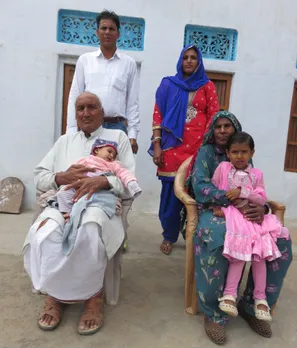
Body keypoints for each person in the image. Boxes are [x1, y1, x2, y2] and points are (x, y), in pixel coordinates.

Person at [23, 91, 135, 335]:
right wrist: (60, 177)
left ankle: (93, 296)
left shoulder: (117, 137)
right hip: (63, 202)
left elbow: (128, 182)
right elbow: (40, 175)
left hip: (100, 204)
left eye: (91, 107)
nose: (85, 113)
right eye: (80, 108)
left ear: (102, 113)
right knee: (46, 231)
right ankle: (55, 293)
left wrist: (103, 182)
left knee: (89, 230)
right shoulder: (65, 141)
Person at [187, 111, 292, 345]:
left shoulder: (242, 152)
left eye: (228, 126)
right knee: (218, 238)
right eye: (218, 126)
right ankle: (215, 313)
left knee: (279, 241)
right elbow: (201, 187)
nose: (223, 130)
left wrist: (263, 209)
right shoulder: (205, 153)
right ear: (212, 131)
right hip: (212, 209)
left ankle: (253, 305)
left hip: (244, 212)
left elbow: (254, 188)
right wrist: (232, 199)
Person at [210, 131, 289, 322]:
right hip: (235, 216)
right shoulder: (223, 168)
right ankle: (229, 295)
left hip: (253, 216)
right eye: (235, 152)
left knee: (259, 255)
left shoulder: (256, 174)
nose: (239, 156)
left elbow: (261, 197)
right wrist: (216, 206)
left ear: (252, 153)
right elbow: (215, 188)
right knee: (239, 254)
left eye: (244, 152)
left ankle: (260, 299)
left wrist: (243, 191)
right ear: (228, 153)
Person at [148, 44, 219, 255]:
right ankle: (168, 235)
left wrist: (207, 150)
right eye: (186, 57)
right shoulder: (168, 84)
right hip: (171, 148)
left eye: (193, 58)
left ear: (199, 62)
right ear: (180, 60)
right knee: (170, 196)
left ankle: (194, 236)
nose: (189, 61)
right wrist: (158, 145)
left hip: (198, 150)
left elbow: (213, 118)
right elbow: (158, 115)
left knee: (195, 195)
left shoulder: (207, 86)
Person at [66, 10, 140, 154]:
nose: (107, 32)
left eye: (111, 29)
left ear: (118, 34)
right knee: (87, 171)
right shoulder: (85, 60)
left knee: (114, 172)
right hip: (89, 126)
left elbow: (133, 103)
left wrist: (133, 135)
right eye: (103, 28)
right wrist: (71, 130)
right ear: (97, 32)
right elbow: (74, 96)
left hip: (117, 128)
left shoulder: (128, 64)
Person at [56, 138, 141, 217]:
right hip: (80, 187)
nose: (111, 156)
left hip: (100, 189)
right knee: (64, 192)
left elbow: (124, 173)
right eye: (109, 151)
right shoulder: (85, 160)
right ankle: (67, 213)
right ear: (97, 150)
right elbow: (72, 171)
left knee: (107, 200)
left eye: (114, 155)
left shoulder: (112, 165)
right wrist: (65, 176)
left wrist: (132, 183)